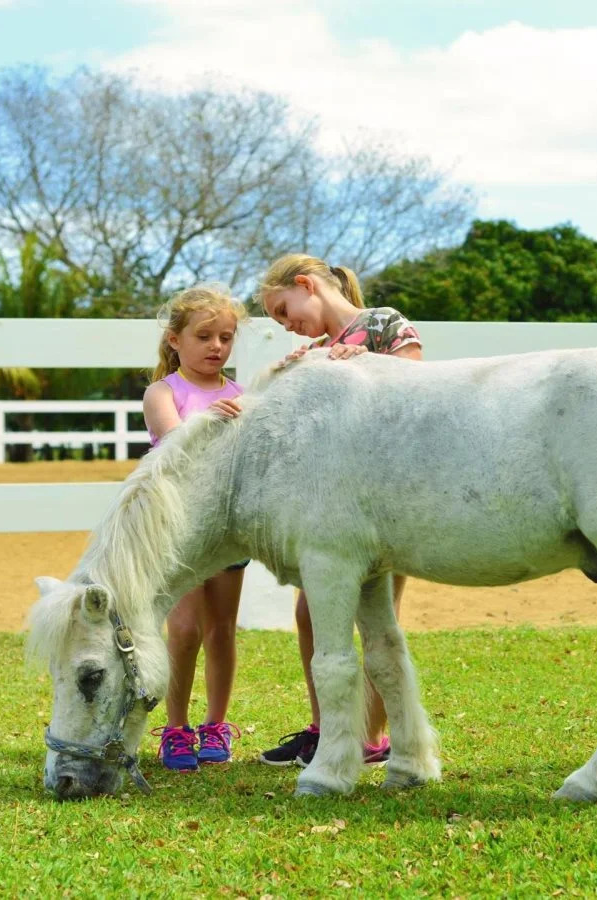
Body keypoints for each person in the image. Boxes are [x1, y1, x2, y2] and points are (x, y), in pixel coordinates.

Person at [253, 253, 422, 768]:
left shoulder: (383, 324)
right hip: (331, 509)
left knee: (378, 618)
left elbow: (417, 387)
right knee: (309, 611)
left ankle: (371, 735)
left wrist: (367, 366)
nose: (287, 325)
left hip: (381, 502)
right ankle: (326, 726)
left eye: (285, 311)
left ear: (306, 285)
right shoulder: (317, 351)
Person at [143, 285, 249, 771]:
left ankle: (215, 723)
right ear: (174, 339)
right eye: (204, 336)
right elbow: (171, 438)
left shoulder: (241, 396)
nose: (217, 347)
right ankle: (177, 727)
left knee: (221, 628)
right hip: (182, 528)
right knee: (183, 628)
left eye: (226, 337)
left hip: (226, 531)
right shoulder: (163, 392)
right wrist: (209, 418)